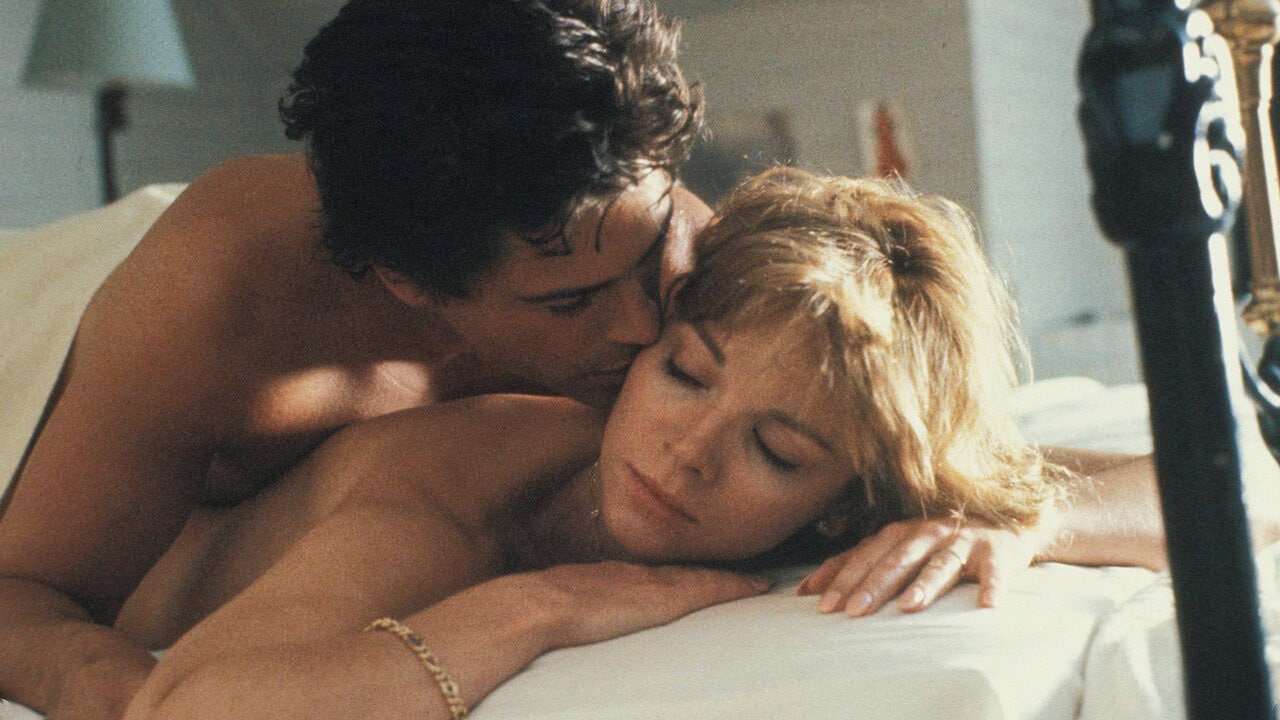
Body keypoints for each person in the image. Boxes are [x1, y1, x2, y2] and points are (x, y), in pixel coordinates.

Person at [114, 168, 1168, 720]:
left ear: (849, 496)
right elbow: (181, 709)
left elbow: (1221, 481)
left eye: (777, 451)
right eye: (684, 375)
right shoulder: (468, 491)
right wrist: (540, 608)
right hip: (136, 568)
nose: (687, 452)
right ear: (650, 342)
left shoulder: (869, 486)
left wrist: (1035, 525)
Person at [0, 2, 713, 718]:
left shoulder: (664, 233)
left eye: (650, 254)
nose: (646, 324)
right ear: (405, 279)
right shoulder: (215, 301)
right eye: (570, 303)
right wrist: (129, 694)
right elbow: (23, 595)